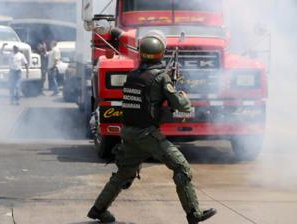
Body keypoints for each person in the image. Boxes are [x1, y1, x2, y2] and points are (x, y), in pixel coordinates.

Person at [87, 31, 217, 224]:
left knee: (123, 174)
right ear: (160, 53)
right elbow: (183, 106)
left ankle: (98, 210)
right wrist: (179, 91)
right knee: (182, 168)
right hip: (147, 134)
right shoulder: (161, 78)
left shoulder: (132, 75)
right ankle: (193, 213)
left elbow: (146, 99)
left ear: (141, 53)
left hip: (130, 133)